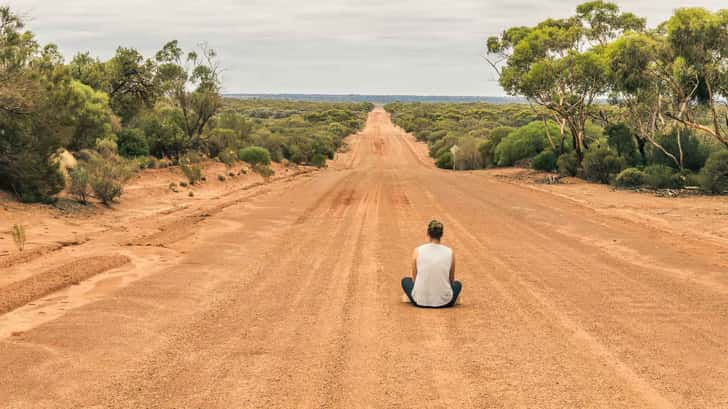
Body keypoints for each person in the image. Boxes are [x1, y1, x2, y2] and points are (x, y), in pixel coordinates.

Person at [401, 220, 462, 308]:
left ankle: (414, 296)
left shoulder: (417, 250)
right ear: (442, 234)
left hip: (419, 301)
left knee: (405, 280)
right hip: (445, 302)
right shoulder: (450, 252)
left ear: (428, 233)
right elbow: (451, 279)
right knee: (458, 284)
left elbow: (414, 279)